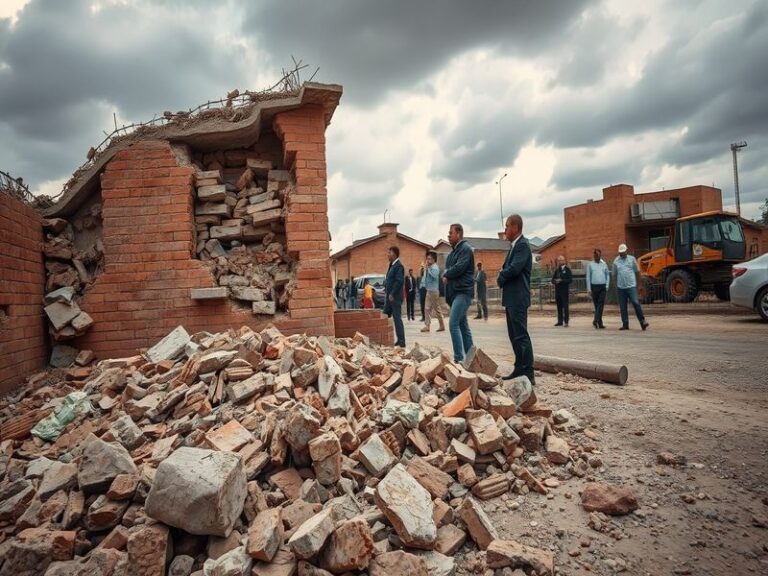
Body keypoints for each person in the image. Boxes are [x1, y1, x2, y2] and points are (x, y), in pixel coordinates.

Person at [497, 214, 535, 384]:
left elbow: (514, 269)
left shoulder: (522, 246)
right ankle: (519, 367)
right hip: (511, 297)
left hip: (518, 297)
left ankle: (528, 373)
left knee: (521, 335)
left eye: (506, 226)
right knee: (514, 335)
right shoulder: (514, 246)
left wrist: (501, 276)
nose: (505, 230)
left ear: (515, 228)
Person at [442, 223, 475, 363]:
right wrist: (447, 274)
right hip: (455, 293)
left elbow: (459, 267)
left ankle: (459, 359)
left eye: (451, 233)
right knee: (463, 326)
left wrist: (447, 274)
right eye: (448, 233)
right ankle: (471, 358)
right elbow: (448, 269)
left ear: (459, 234)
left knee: (453, 323)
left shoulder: (465, 249)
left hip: (463, 292)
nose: (448, 235)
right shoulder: (453, 253)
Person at [612, 243, 649, 331]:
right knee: (623, 306)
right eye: (620, 253)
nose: (621, 254)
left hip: (631, 286)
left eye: (623, 252)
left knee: (635, 302)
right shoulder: (616, 261)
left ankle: (642, 322)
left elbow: (637, 272)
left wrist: (639, 285)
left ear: (626, 251)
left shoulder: (632, 259)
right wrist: (615, 286)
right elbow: (614, 274)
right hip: (621, 288)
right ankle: (625, 324)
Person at [384, 246, 406, 347]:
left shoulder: (399, 266)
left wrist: (392, 293)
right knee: (385, 315)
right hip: (389, 297)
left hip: (395, 297)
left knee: (397, 318)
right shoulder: (392, 265)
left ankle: (401, 341)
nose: (387, 255)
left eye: (389, 253)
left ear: (394, 253)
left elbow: (399, 281)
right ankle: (385, 338)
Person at [420, 252, 445, 333]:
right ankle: (427, 326)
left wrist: (428, 269)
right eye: (427, 259)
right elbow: (424, 277)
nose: (428, 260)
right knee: (426, 308)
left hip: (434, 291)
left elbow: (434, 276)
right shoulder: (429, 267)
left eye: (430, 259)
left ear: (434, 260)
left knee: (437, 309)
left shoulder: (435, 267)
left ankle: (442, 325)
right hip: (428, 290)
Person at [586, 248, 610, 329]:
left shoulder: (604, 264)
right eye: (596, 255)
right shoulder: (590, 264)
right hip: (594, 287)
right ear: (594, 255)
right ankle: (599, 323)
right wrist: (589, 289)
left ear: (600, 255)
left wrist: (607, 285)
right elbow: (588, 277)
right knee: (597, 306)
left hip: (602, 287)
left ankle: (596, 320)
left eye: (599, 255)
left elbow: (607, 275)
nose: (597, 256)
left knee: (601, 303)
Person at [551, 255, 573, 327]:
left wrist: (562, 280)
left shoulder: (567, 269)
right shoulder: (557, 270)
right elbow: (552, 280)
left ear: (564, 261)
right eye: (559, 260)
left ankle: (566, 321)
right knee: (559, 306)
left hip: (564, 291)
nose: (560, 261)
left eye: (561, 260)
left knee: (565, 306)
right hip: (558, 291)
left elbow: (570, 280)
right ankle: (560, 321)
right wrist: (555, 281)